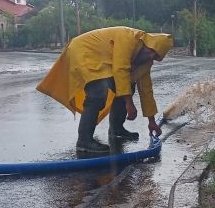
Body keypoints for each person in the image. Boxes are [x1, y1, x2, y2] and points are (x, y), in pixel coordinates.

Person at [36, 26, 173, 154]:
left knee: (128, 86)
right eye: (151, 52)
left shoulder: (145, 62)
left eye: (155, 57)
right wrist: (129, 104)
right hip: (85, 51)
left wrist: (152, 122)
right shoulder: (129, 39)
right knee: (97, 93)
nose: (150, 57)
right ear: (146, 44)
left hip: (104, 59)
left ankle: (116, 130)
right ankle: (84, 141)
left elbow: (146, 90)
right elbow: (120, 70)